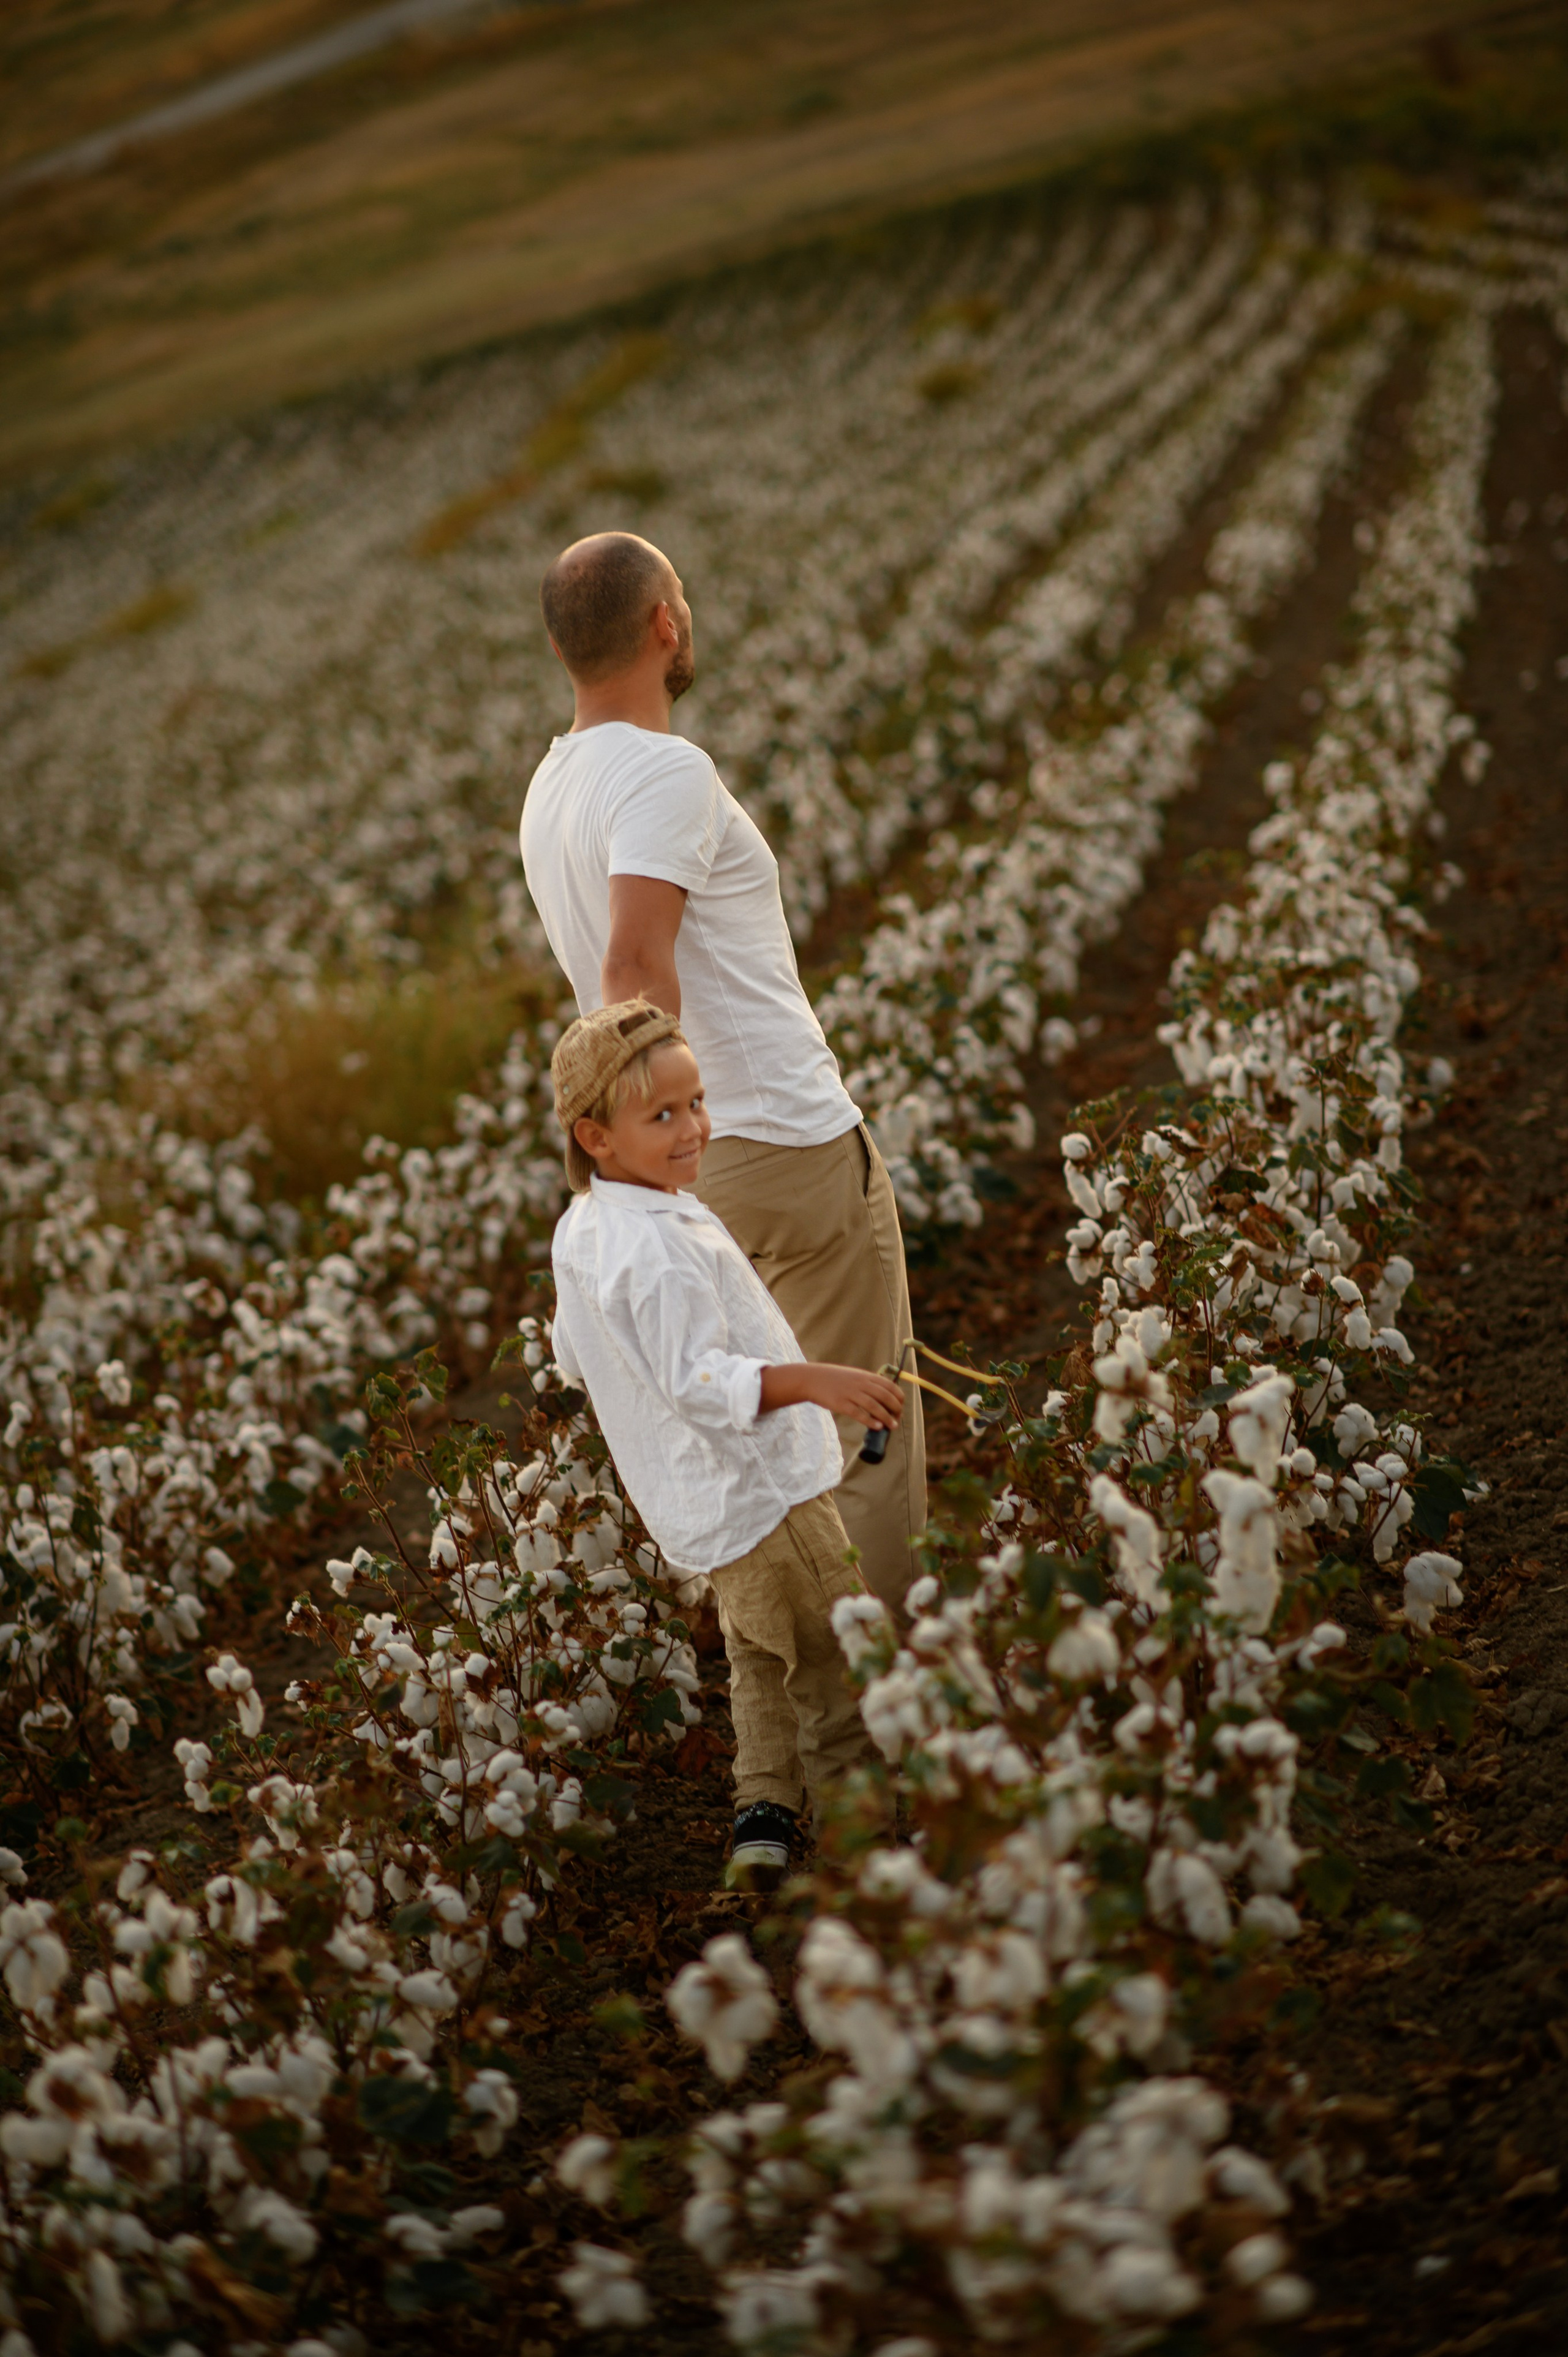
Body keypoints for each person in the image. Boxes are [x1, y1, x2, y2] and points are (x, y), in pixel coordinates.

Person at [519, 530, 924, 1615]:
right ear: (666, 625)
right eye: (682, 599)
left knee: (763, 1454)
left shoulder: (550, 789)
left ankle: (791, 1736)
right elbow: (635, 968)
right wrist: (664, 1166)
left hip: (686, 1160)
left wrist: (633, 1187)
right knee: (863, 1437)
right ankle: (880, 1720)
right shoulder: (665, 769)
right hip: (776, 1147)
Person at [546, 998, 905, 1887]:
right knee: (832, 1664)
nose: (692, 1128)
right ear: (596, 1135)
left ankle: (763, 1821)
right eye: (661, 1115)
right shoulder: (656, 1249)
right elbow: (700, 1384)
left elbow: (570, 1349)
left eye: (697, 1102)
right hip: (765, 1493)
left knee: (758, 1658)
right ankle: (870, 1854)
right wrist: (816, 1381)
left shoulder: (588, 1226)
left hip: (701, 1508)